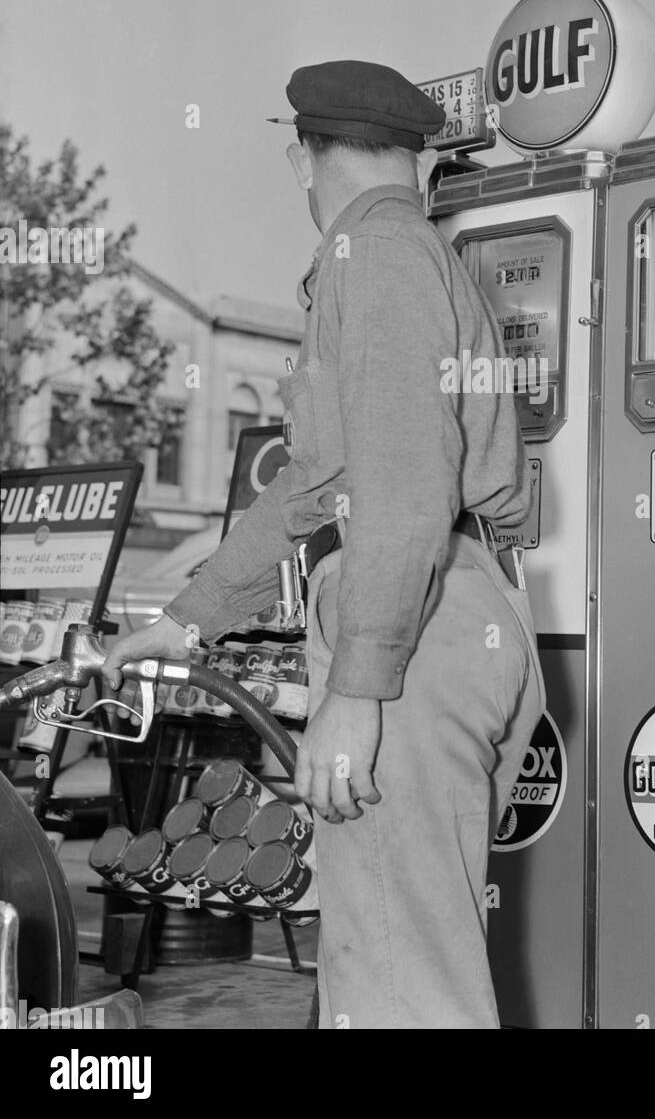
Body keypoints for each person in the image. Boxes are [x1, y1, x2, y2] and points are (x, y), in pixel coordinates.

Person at [103, 59, 545, 1028]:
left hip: (414, 639)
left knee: (402, 982)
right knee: (384, 961)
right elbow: (312, 491)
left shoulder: (378, 255)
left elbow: (402, 486)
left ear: (302, 158)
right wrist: (186, 622)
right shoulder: (395, 253)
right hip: (445, 619)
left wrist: (357, 687)